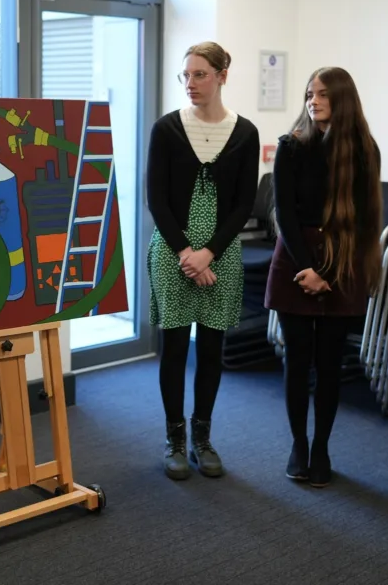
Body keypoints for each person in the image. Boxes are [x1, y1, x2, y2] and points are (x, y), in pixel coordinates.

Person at [146, 41, 259, 480]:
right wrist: (186, 253)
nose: (190, 84)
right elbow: (156, 198)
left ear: (222, 75)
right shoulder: (167, 129)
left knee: (212, 349)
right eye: (186, 75)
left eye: (200, 75)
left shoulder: (245, 133)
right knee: (174, 349)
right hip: (173, 251)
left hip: (223, 252)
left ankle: (202, 438)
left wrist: (209, 252)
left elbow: (244, 201)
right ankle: (174, 440)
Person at [265, 67, 383, 487]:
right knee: (296, 362)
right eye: (309, 94)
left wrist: (329, 273)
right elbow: (286, 215)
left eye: (322, 95)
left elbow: (366, 222)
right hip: (297, 259)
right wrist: (308, 270)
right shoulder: (290, 147)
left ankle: (321, 448)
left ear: (342, 99)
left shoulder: (365, 150)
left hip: (343, 260)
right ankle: (299, 444)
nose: (313, 101)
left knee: (329, 364)